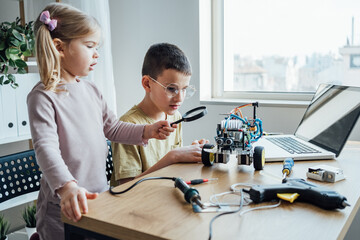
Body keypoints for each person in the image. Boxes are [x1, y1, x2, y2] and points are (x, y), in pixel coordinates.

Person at [28, 3, 174, 239]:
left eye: (97, 47)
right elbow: (46, 148)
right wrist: (67, 187)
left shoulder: (91, 89)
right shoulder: (42, 97)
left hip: (98, 197)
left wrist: (147, 130)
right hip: (63, 205)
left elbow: (113, 128)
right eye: (89, 46)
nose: (97, 54)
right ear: (59, 47)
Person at [111, 43, 208, 185]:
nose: (179, 98)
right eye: (171, 89)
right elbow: (126, 187)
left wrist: (190, 153)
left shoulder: (176, 117)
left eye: (184, 89)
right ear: (147, 84)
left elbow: (173, 169)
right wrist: (173, 156)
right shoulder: (127, 126)